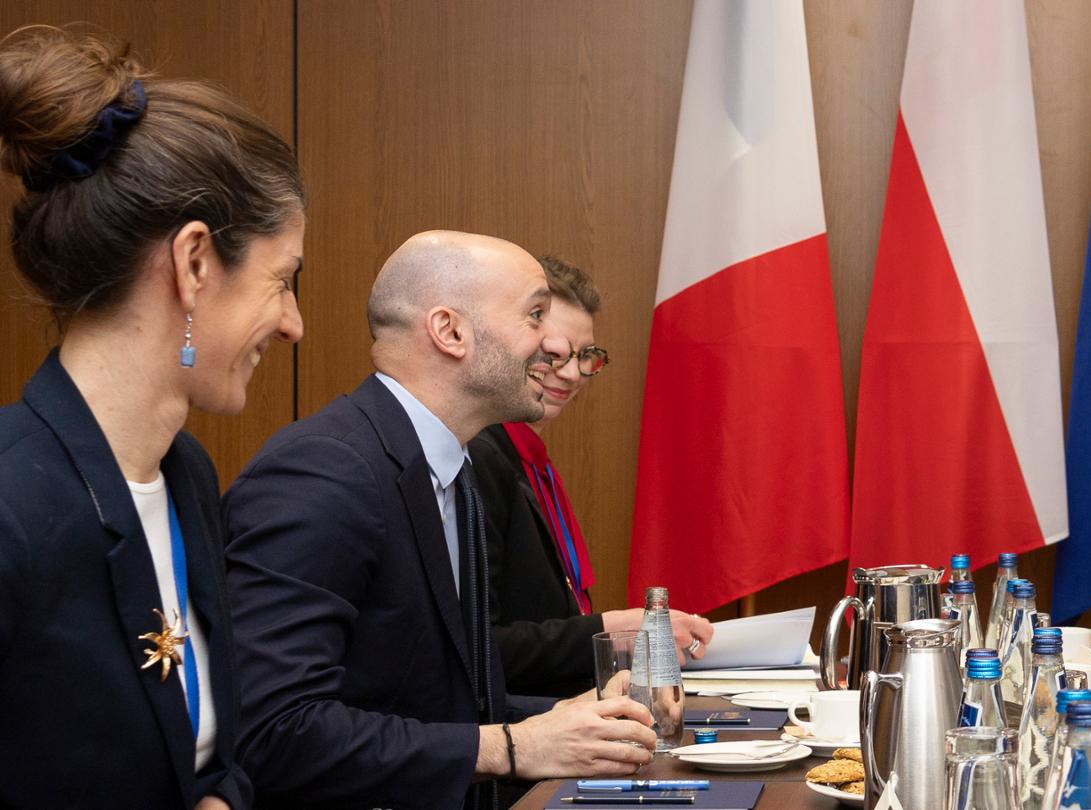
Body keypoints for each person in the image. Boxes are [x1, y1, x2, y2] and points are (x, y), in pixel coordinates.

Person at [223, 231, 656, 808]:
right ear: (450, 332)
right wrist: (513, 745)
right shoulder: (324, 472)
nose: (554, 347)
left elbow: (436, 705)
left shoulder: (452, 472)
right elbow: (275, 734)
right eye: (534, 316)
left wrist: (570, 717)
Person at [0, 24, 307, 808]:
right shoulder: (10, 504)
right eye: (283, 280)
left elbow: (210, 756)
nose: (294, 323)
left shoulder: (187, 473)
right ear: (195, 261)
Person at [471, 255, 714, 697]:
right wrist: (612, 629)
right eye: (553, 353)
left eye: (586, 356)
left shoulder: (530, 460)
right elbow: (478, 648)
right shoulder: (480, 455)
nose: (571, 373)